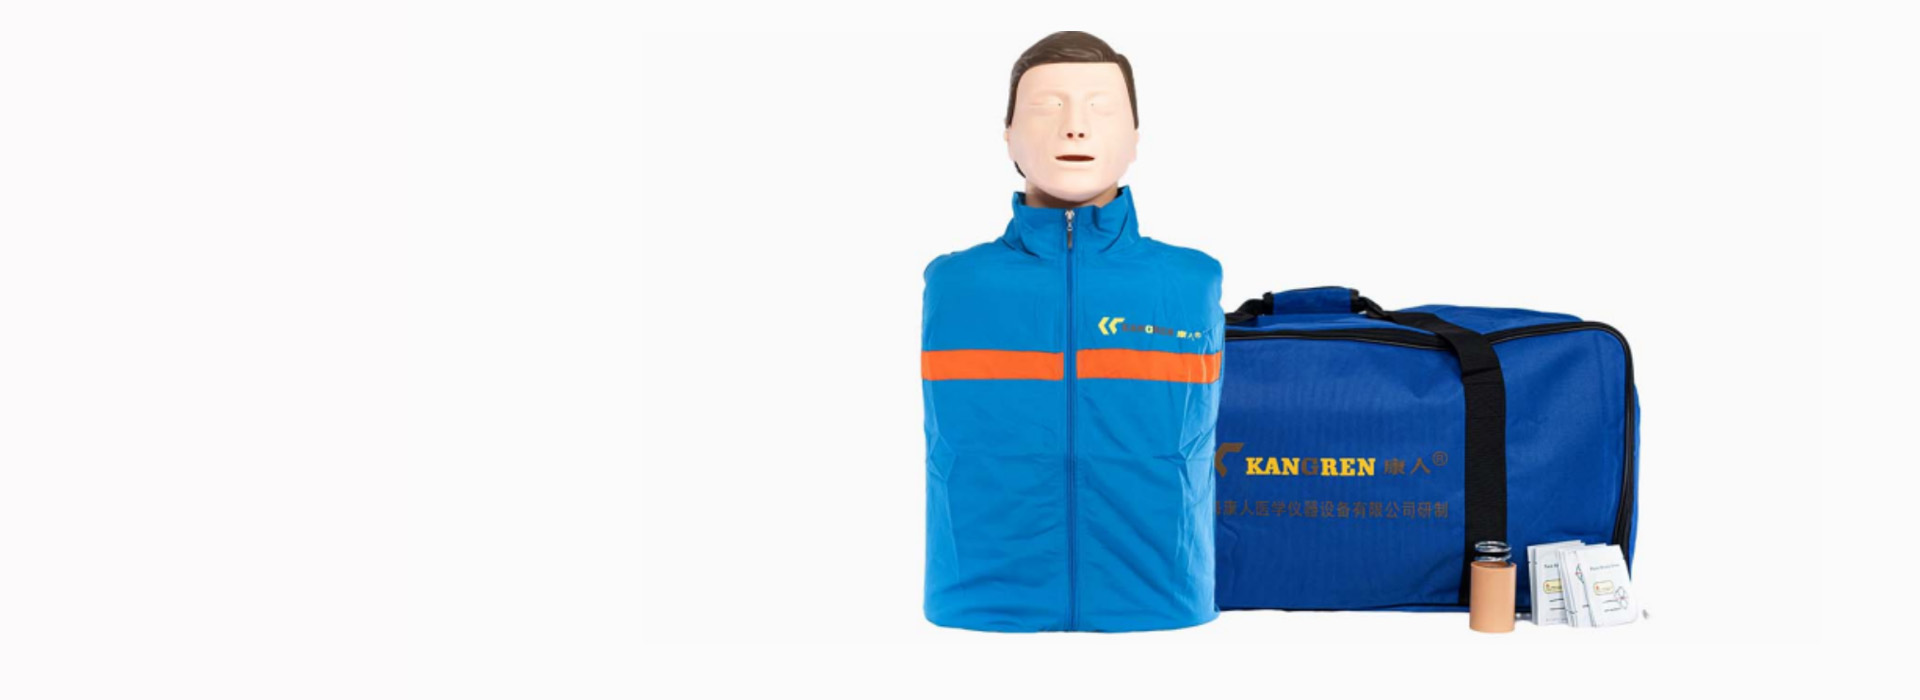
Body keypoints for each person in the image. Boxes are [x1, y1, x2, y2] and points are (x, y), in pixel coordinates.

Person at [920, 31, 1225, 632]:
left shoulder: (1192, 281)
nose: (1075, 128)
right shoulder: (955, 283)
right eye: (1046, 106)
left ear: (1136, 136)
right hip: (977, 607)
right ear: (1007, 133)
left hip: (1164, 601)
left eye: (1101, 108)